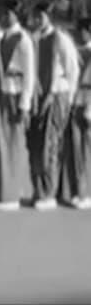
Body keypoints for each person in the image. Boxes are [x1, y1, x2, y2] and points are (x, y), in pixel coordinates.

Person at [0, 0, 35, 210]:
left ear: (14, 14)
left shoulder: (23, 39)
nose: (3, 16)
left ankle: (11, 194)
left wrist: (25, 103)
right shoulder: (2, 36)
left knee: (12, 145)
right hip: (2, 93)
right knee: (0, 146)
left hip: (14, 93)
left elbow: (29, 73)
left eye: (7, 13)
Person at [29, 1, 80, 210]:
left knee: (51, 144)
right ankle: (40, 189)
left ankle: (50, 192)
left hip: (57, 93)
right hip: (39, 96)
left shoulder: (60, 39)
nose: (38, 20)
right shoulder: (34, 39)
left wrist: (68, 98)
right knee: (37, 144)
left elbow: (72, 69)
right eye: (35, 16)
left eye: (41, 16)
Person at [60, 17, 91, 209]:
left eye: (82, 30)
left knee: (85, 152)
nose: (79, 34)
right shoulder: (79, 51)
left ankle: (85, 192)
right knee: (75, 149)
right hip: (76, 101)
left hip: (87, 103)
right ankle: (76, 190)